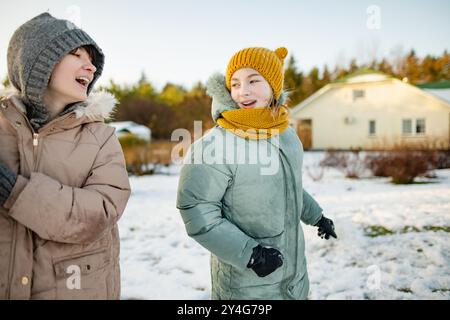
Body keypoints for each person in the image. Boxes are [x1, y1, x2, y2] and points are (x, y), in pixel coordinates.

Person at [176, 46, 337, 300]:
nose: (243, 91)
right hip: (246, 287)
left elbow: (290, 187)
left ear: (274, 86)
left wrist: (317, 216)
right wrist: (250, 254)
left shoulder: (286, 135)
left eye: (253, 80)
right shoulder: (216, 145)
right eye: (236, 84)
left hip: (295, 279)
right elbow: (196, 209)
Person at [0, 13, 131, 299]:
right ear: (36, 63)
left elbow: (102, 212)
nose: (91, 66)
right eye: (76, 53)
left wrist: (13, 191)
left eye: (93, 60)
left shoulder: (101, 137)